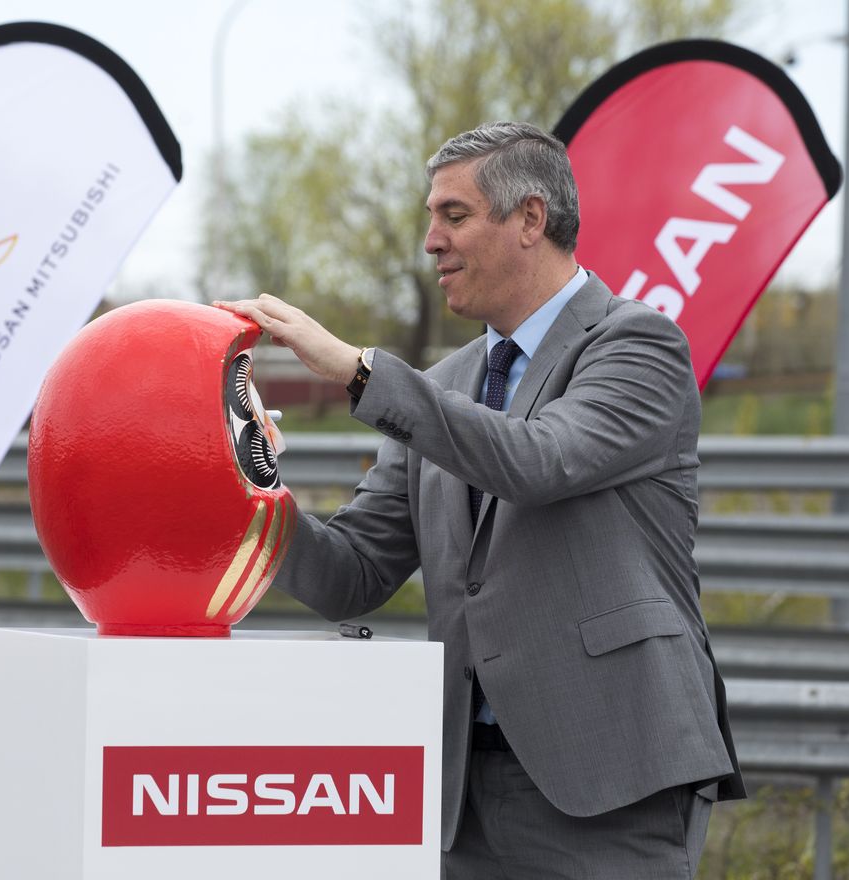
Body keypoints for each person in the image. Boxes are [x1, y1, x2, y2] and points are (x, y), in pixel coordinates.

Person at [215, 121, 745, 879]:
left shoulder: (638, 345)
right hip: (463, 790)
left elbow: (538, 460)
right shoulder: (440, 389)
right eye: (431, 218)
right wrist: (242, 480)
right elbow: (350, 574)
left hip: (610, 780)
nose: (431, 241)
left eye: (454, 216)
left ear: (530, 219)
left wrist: (359, 371)